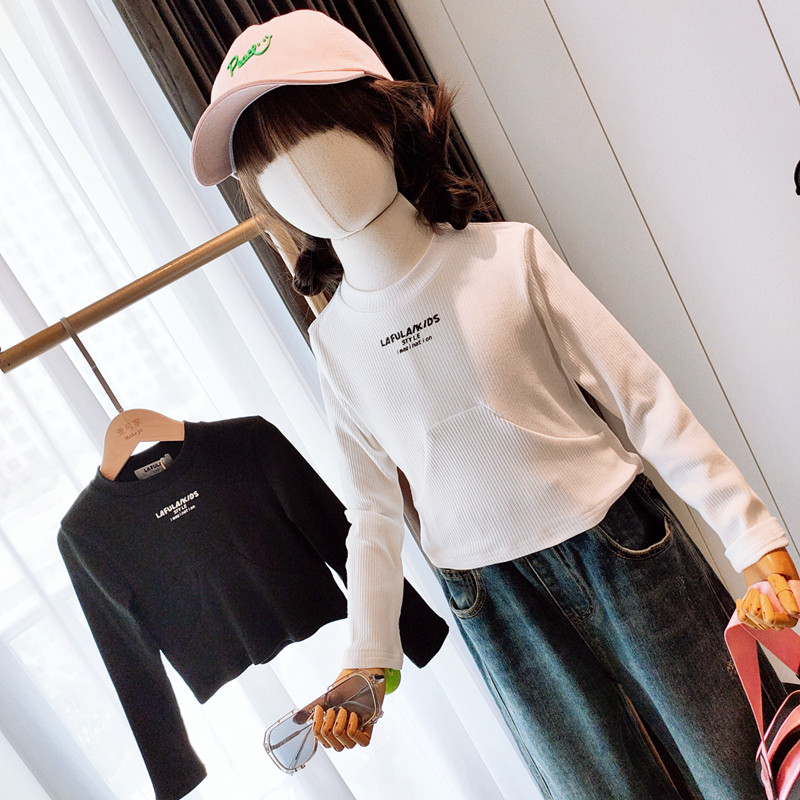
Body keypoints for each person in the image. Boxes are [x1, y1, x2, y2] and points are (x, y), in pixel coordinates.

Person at [191, 10, 799, 799]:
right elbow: (372, 510)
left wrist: (754, 538)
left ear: (381, 118)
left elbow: (643, 398)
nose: (298, 171)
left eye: (313, 130)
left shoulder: (509, 256)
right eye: (266, 158)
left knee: (741, 768)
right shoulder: (334, 342)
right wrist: (368, 663)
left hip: (619, 542)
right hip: (491, 599)